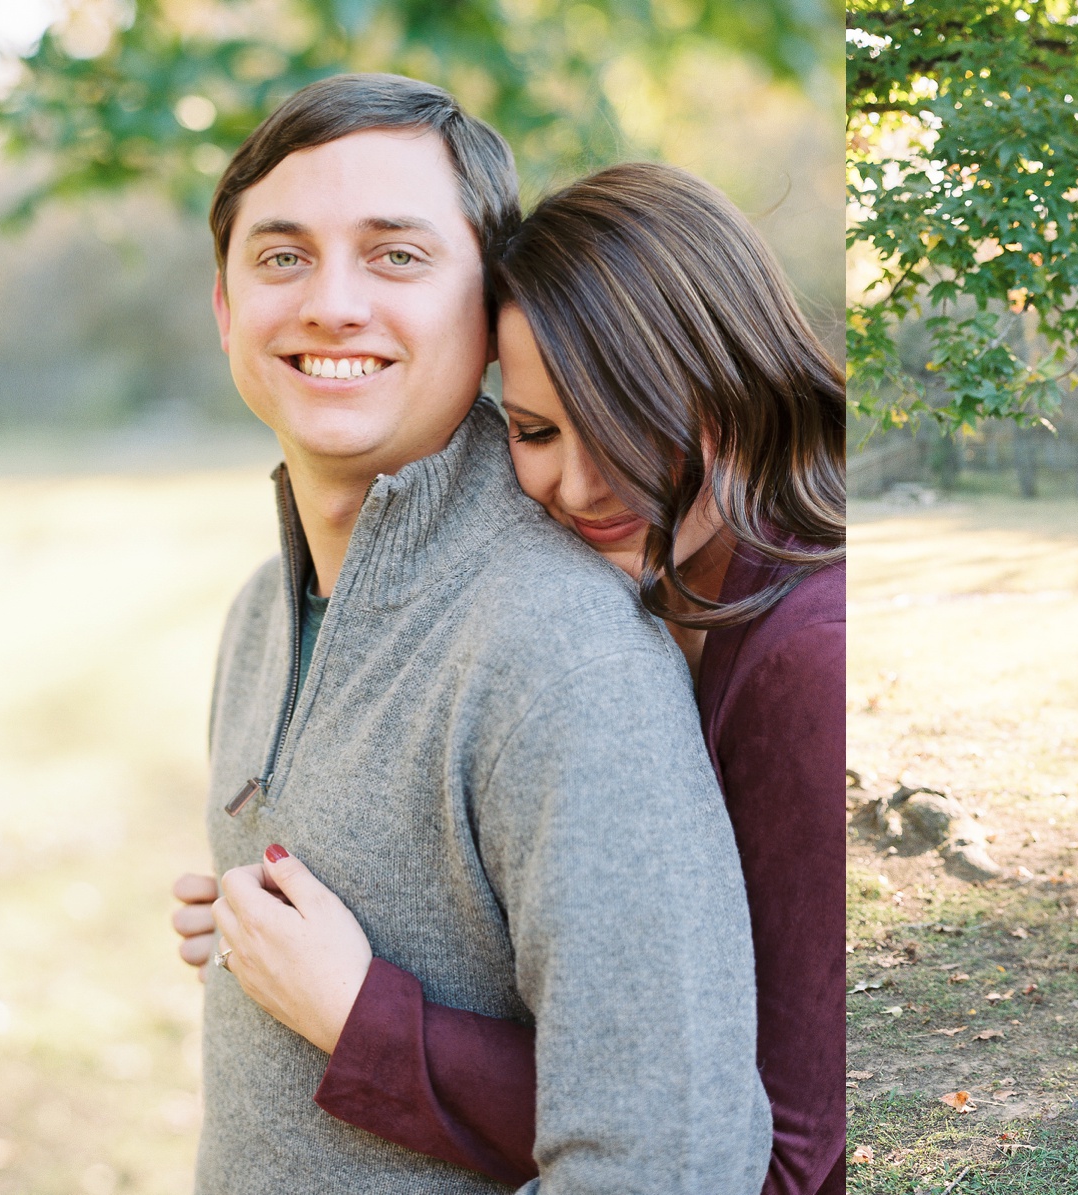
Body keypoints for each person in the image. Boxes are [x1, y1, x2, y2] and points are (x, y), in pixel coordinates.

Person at [179, 164, 848, 1192]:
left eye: (633, 415)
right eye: (535, 430)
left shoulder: (808, 652)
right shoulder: (665, 586)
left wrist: (364, 1019)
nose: (580, 484)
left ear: (736, 374)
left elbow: (765, 1158)